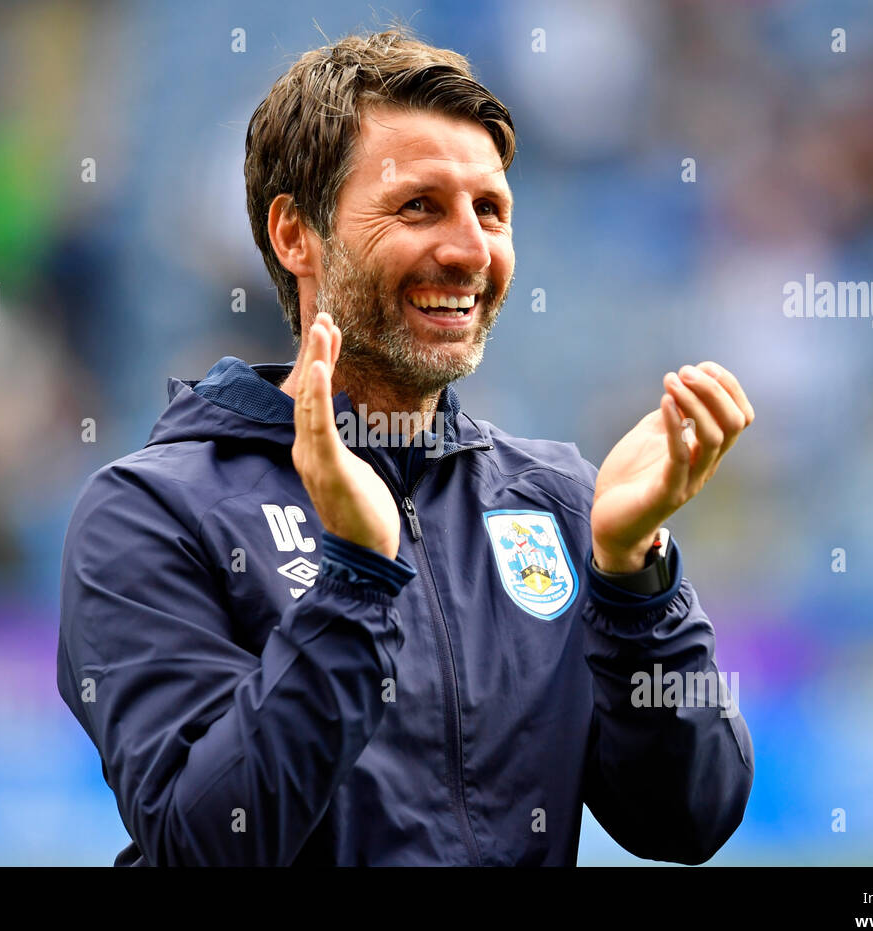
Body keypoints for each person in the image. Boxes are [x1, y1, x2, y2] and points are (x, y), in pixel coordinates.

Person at [57, 27, 755, 866]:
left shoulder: (560, 502)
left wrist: (635, 578)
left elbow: (688, 821)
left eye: (490, 210)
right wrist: (355, 579)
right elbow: (203, 839)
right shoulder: (154, 512)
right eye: (419, 205)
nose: (468, 252)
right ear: (295, 235)